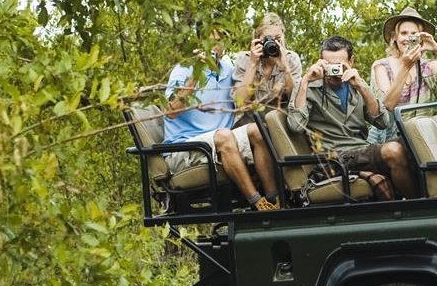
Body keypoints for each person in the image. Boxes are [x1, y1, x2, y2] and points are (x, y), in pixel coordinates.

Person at [288, 35, 416, 199]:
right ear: (320, 62)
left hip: (362, 151)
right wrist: (305, 81)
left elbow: (383, 122)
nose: (334, 71)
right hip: (333, 159)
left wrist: (362, 86)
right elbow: (295, 125)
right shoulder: (307, 87)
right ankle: (415, 208)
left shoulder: (355, 84)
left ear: (351, 61)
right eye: (329, 65)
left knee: (411, 144)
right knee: (393, 150)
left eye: (340, 65)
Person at [163, 50, 280, 211]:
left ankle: (274, 199)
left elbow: (242, 103)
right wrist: (197, 73)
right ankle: (258, 203)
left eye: (220, 37)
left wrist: (254, 62)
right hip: (184, 148)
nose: (215, 43)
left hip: (220, 141)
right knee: (225, 135)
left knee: (257, 131)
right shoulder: (183, 69)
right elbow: (172, 111)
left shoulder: (228, 70)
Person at [368, 6, 437, 143]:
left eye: (413, 34)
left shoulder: (428, 66)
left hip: (422, 136)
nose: (408, 38)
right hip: (389, 138)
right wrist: (406, 66)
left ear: (420, 38)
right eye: (403, 33)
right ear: (395, 37)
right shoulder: (381, 66)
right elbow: (387, 105)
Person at [232, 12, 302, 117]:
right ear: (257, 39)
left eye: (277, 39)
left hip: (278, 119)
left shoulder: (291, 59)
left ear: (283, 37)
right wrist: (252, 64)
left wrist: (285, 67)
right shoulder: (244, 59)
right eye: (267, 39)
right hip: (250, 120)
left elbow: (296, 102)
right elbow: (240, 103)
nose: (273, 44)